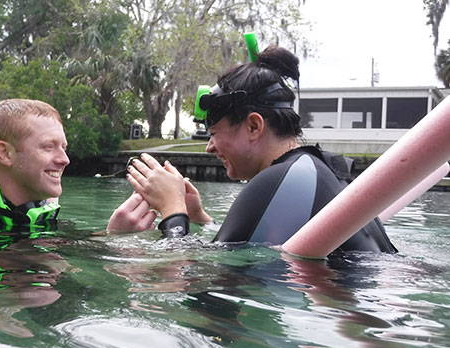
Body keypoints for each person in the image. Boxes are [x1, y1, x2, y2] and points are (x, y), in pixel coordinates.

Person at [124, 45, 396, 254]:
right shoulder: (316, 169)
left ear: (254, 126)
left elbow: (190, 284)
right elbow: (248, 246)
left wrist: (172, 211)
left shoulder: (280, 180)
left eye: (214, 133)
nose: (209, 147)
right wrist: (200, 219)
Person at [0, 98, 155, 233]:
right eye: (48, 147)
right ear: (4, 153)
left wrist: (115, 234)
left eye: (63, 147)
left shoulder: (32, 208)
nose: (65, 159)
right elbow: (12, 287)